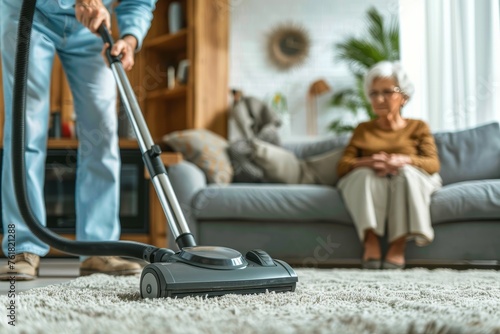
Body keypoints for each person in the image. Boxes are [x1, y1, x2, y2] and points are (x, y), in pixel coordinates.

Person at [0, 0, 157, 280]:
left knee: (103, 132)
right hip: (30, 13)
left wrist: (130, 38)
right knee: (26, 127)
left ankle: (98, 248)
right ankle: (21, 249)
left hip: (91, 29)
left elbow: (140, 2)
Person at [336, 61, 442, 270]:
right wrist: (369, 161)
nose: (379, 99)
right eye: (373, 93)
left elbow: (432, 164)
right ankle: (370, 239)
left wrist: (403, 160)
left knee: (405, 174)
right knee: (364, 174)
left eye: (387, 92)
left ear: (404, 96)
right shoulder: (363, 129)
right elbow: (342, 167)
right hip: (374, 180)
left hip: (410, 177)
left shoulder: (418, 126)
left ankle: (398, 243)